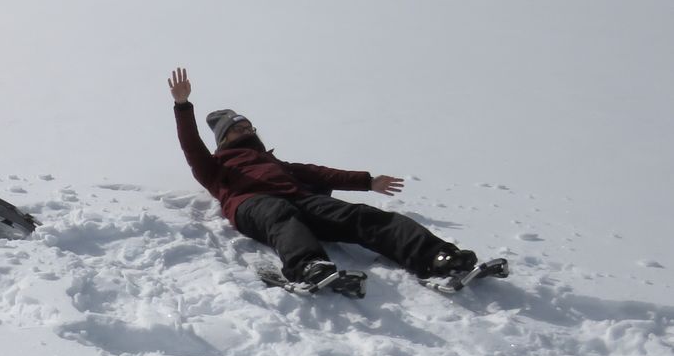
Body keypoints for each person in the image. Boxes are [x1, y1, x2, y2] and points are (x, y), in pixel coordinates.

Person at [167, 67, 478, 287]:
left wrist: (367, 181)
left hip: (302, 201)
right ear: (224, 138)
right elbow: (191, 146)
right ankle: (308, 266)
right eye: (238, 128)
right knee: (279, 212)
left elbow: (319, 173)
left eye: (249, 126)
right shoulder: (215, 167)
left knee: (362, 216)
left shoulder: (275, 162)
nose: (246, 130)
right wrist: (183, 106)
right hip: (253, 205)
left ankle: (438, 257)